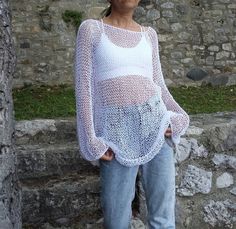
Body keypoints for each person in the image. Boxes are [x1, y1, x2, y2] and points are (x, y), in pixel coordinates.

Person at [74, 0, 190, 228]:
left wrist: (177, 117)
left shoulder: (149, 35)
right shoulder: (92, 29)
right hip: (114, 137)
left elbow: (158, 84)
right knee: (116, 221)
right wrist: (90, 140)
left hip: (157, 130)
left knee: (163, 220)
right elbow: (83, 88)